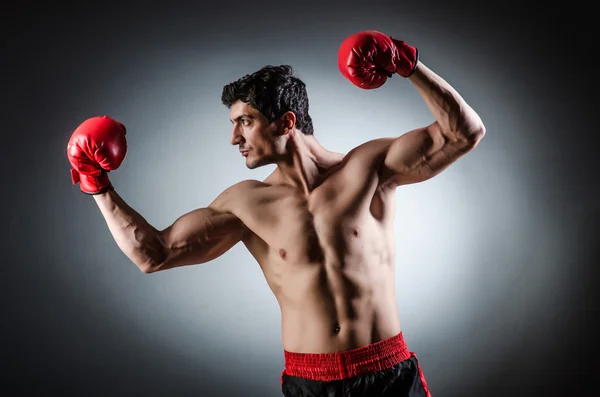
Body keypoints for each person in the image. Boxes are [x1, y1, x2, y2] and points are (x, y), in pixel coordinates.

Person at [66, 30, 485, 396]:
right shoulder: (246, 203)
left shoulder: (370, 167)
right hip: (310, 383)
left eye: (245, 122)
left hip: (386, 375)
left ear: (286, 122)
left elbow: (463, 133)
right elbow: (153, 255)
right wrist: (97, 186)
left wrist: (407, 64)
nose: (234, 138)